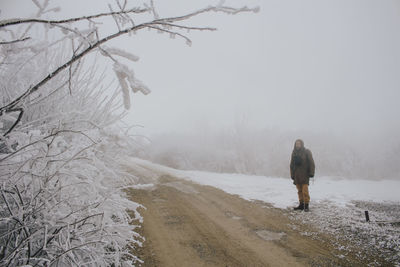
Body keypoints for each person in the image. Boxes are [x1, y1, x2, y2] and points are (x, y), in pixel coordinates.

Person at [290, 139, 315, 212]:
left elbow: (311, 163)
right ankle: (301, 205)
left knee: (305, 191)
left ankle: (306, 205)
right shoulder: (294, 152)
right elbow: (291, 165)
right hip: (297, 175)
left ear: (302, 144)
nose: (298, 145)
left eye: (299, 144)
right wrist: (292, 174)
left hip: (305, 174)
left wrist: (311, 173)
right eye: (296, 144)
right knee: (299, 191)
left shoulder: (306, 152)